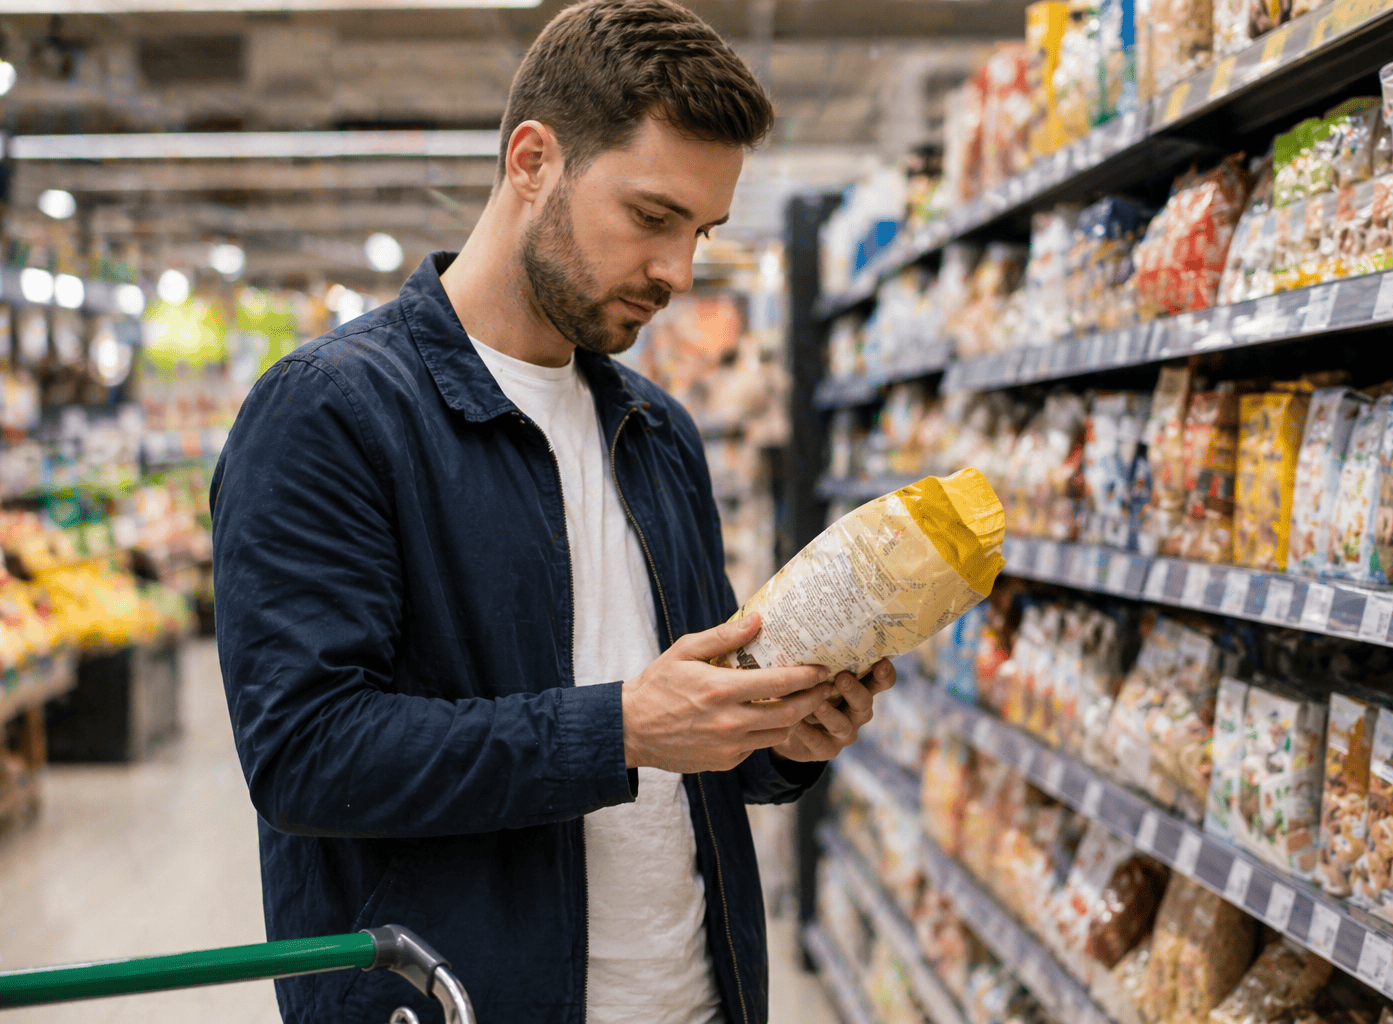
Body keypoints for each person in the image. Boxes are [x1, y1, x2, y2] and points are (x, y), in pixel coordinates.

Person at [210, 1, 895, 1022]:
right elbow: (307, 755)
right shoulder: (331, 413)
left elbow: (686, 737)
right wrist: (617, 727)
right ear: (532, 161)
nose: (679, 273)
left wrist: (778, 738)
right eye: (653, 217)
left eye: (701, 233)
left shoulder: (657, 431)